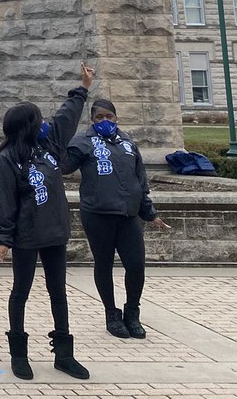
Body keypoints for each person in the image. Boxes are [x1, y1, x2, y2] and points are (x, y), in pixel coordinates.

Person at [0, 63, 94, 382]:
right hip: (26, 236)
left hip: (55, 233)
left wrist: (82, 89)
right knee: (20, 291)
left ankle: (64, 354)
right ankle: (18, 354)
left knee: (57, 291)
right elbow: (6, 200)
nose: (44, 123)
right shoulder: (9, 158)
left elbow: (65, 118)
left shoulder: (49, 147)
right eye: (38, 120)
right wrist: (3, 240)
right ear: (27, 126)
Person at [66, 98, 170, 339]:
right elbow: (65, 166)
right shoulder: (83, 141)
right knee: (104, 264)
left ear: (116, 117)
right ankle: (111, 314)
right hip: (98, 213)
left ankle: (132, 313)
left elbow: (139, 181)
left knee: (136, 265)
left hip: (128, 215)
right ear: (92, 120)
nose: (104, 121)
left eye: (108, 117)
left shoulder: (127, 143)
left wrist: (150, 213)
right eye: (98, 118)